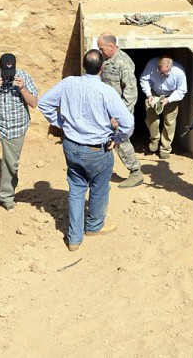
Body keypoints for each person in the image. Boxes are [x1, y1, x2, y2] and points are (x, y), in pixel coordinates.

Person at [38, 49, 134, 251]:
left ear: (83, 65)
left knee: (76, 189)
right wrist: (117, 138)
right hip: (96, 150)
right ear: (102, 67)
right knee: (99, 189)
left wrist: (61, 124)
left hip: (71, 146)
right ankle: (93, 227)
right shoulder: (106, 91)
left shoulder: (68, 83)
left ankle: (74, 239)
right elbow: (128, 123)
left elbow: (44, 103)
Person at [0, 52, 38, 210]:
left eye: (10, 74)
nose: (7, 78)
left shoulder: (23, 77)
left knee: (11, 164)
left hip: (16, 126)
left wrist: (23, 89)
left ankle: (5, 196)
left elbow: (34, 103)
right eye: (5, 74)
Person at [97, 33, 144, 187]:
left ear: (111, 46)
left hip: (119, 110)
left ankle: (135, 172)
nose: (100, 51)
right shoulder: (106, 59)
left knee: (121, 140)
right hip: (106, 109)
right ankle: (102, 170)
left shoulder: (123, 62)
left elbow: (131, 92)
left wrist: (120, 115)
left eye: (102, 48)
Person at [139, 55, 188, 158]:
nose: (162, 74)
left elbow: (182, 90)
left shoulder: (179, 72)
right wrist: (148, 94)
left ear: (170, 68)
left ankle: (165, 149)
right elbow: (144, 79)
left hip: (171, 97)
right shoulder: (151, 64)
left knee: (169, 123)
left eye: (165, 73)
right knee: (151, 120)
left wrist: (169, 99)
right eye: (160, 72)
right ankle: (154, 141)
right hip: (154, 95)